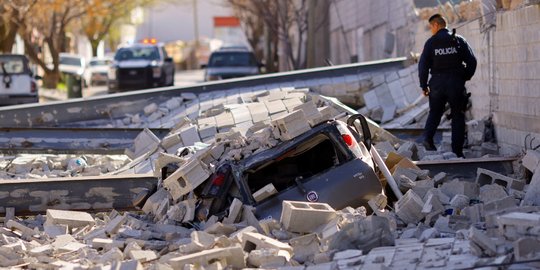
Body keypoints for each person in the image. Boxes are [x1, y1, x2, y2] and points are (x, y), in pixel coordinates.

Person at [418, 14, 477, 158]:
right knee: (458, 115)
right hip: (456, 83)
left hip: (437, 83)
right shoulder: (458, 40)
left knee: (435, 112)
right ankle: (457, 151)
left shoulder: (431, 43)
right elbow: (472, 61)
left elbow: (423, 66)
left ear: (436, 25)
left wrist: (424, 86)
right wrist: (464, 76)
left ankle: (428, 139)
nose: (431, 30)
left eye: (431, 27)